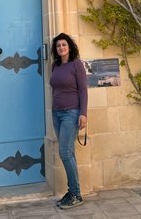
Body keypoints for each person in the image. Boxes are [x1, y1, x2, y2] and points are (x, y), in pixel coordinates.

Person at [50, 32, 88, 210]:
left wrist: (83, 113)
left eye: (64, 45)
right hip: (56, 113)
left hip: (71, 113)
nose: (61, 48)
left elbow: (83, 91)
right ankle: (73, 192)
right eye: (58, 46)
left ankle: (76, 193)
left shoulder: (76, 64)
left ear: (70, 47)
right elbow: (54, 89)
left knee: (64, 153)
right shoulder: (55, 66)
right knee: (68, 152)